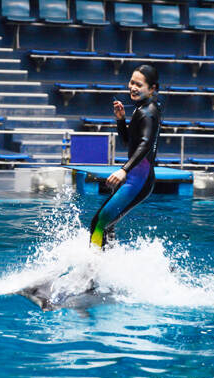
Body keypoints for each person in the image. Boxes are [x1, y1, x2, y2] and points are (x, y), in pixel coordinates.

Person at [90, 65, 161, 249]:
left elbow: (145, 144)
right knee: (107, 225)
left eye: (139, 84)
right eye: (131, 82)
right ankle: (107, 265)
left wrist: (123, 170)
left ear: (152, 88)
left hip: (138, 180)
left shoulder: (148, 112)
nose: (133, 87)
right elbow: (128, 142)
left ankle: (90, 270)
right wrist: (121, 120)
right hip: (135, 178)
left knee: (98, 223)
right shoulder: (143, 108)